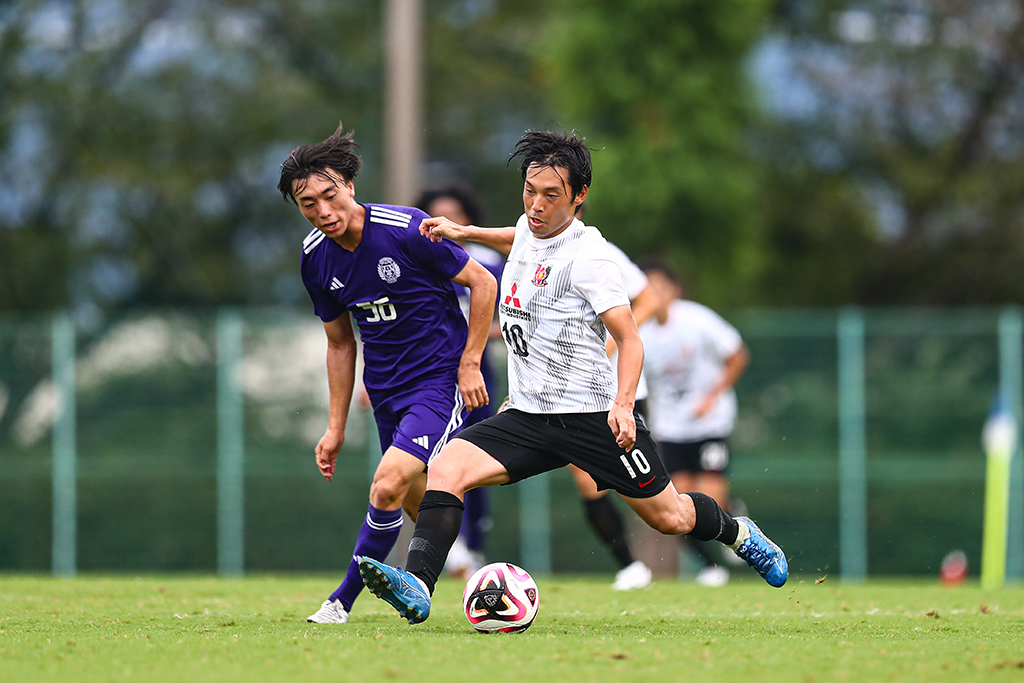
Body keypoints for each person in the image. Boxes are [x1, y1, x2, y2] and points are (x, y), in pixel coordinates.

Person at [356, 128, 788, 625]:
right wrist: (465, 233)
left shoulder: (592, 259)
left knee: (670, 517)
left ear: (579, 197)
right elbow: (519, 237)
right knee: (447, 468)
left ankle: (740, 533)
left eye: (551, 196)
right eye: (529, 191)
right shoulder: (529, 227)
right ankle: (419, 586)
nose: (536, 205)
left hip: (592, 418)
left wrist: (624, 406)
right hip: (527, 414)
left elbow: (630, 340)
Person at [276, 123, 497, 624]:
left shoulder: (405, 229)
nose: (324, 212)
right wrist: (335, 427)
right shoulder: (315, 259)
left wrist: (468, 364)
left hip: (438, 383)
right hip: (385, 393)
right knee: (418, 498)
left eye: (330, 196)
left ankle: (341, 601)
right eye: (308, 204)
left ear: (350, 186)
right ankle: (485, 581)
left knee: (385, 486)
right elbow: (338, 342)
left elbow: (482, 283)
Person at [640, 260, 750, 587]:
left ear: (675, 290)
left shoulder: (697, 319)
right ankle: (711, 567)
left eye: (660, 287)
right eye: (648, 288)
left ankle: (733, 517)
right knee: (677, 507)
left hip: (709, 426)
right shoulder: (640, 333)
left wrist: (713, 396)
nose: (654, 295)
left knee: (710, 500)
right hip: (671, 430)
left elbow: (737, 354)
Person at [415, 186, 505, 577]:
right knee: (435, 459)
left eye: (453, 213)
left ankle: (474, 544)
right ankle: (452, 547)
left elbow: (510, 316)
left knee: (479, 459)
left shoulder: (488, 262)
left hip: (478, 372)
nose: (445, 222)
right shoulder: (418, 259)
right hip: (429, 372)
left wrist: (483, 330)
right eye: (436, 215)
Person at [566, 241, 658, 591]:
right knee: (586, 480)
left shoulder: (601, 252)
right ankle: (630, 565)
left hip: (619, 390)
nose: (538, 208)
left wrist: (614, 341)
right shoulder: (530, 254)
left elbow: (649, 300)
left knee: (649, 492)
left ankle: (719, 538)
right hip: (572, 396)